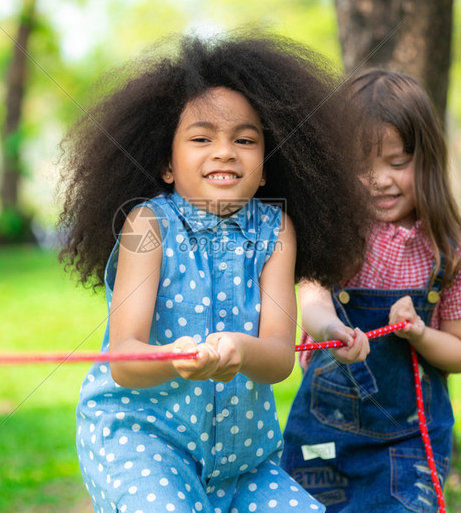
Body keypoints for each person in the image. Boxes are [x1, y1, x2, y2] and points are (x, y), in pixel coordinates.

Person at [59, 33, 372, 513]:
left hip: (242, 460)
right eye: (202, 138)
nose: (225, 152)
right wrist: (172, 356)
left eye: (244, 140)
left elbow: (277, 358)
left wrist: (242, 350)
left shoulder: (276, 229)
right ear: (167, 162)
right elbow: (124, 359)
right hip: (144, 443)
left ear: (267, 167)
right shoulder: (149, 224)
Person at [281, 69, 461, 512]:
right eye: (362, 166)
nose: (380, 179)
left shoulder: (450, 250)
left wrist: (419, 333)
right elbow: (312, 303)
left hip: (408, 444)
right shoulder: (330, 236)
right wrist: (333, 330)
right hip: (323, 442)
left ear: (428, 160)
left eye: (397, 163)